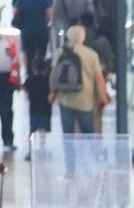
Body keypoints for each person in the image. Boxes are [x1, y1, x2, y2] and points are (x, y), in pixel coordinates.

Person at [50, 23, 108, 174]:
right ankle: (87, 166)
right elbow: (99, 79)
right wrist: (103, 97)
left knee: (67, 137)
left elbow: (54, 75)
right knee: (88, 134)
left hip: (66, 100)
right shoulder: (91, 54)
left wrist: (53, 93)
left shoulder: (59, 53)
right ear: (82, 37)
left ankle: (70, 169)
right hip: (85, 102)